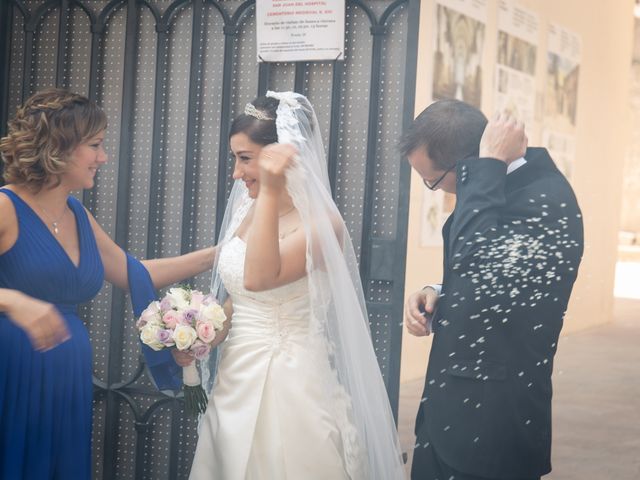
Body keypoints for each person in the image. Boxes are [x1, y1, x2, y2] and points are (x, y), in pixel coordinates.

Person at [0, 88, 219, 479]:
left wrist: (217, 255)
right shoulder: (5, 206)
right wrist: (14, 302)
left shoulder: (76, 214)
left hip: (64, 381)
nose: (103, 157)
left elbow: (134, 272)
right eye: (95, 145)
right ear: (58, 147)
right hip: (12, 374)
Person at [187, 92, 406, 480]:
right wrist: (200, 334)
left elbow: (259, 277)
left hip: (291, 378)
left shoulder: (323, 227)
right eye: (234, 159)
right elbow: (241, 296)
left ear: (280, 157)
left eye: (244, 159)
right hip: (235, 374)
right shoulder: (245, 207)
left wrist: (270, 189)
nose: (236, 174)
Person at [401, 99, 584, 480]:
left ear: (467, 162)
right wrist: (438, 291)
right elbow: (478, 281)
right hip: (448, 418)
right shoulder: (494, 189)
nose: (434, 191)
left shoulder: (547, 199)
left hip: (491, 428)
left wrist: (486, 168)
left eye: (432, 180)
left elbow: (482, 274)